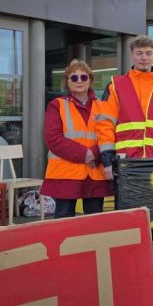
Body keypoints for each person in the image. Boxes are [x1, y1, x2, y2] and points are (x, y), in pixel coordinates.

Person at [96, 35, 153, 180]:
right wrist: (107, 161)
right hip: (124, 162)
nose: (144, 58)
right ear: (132, 56)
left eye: (148, 53)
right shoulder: (115, 85)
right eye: (139, 53)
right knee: (129, 204)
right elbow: (105, 125)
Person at [41, 60, 112, 218]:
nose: (79, 81)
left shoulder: (104, 106)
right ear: (67, 81)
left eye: (83, 77)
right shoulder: (56, 105)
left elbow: (110, 135)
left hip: (95, 173)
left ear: (90, 80)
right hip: (66, 174)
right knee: (63, 223)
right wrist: (85, 154)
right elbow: (53, 139)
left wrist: (94, 153)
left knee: (94, 222)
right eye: (74, 78)